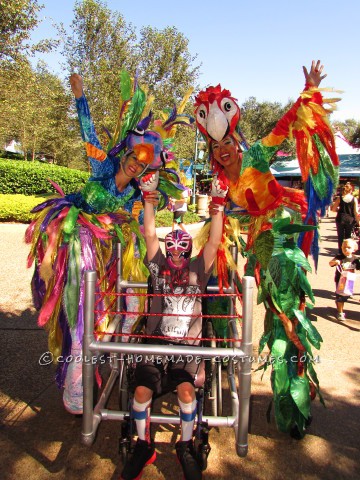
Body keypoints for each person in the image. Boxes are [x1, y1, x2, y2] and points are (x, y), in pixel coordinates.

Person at [25, 72, 186, 415]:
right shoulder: (102, 165)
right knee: (81, 309)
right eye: (135, 155)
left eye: (144, 163)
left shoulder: (133, 195)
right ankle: (76, 382)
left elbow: (144, 229)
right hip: (78, 240)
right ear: (128, 150)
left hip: (109, 251)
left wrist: (152, 207)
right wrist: (80, 97)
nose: (136, 163)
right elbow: (89, 132)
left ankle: (120, 343)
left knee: (125, 299)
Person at [195, 60, 340, 438]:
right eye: (216, 146)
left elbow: (285, 124)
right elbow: (222, 221)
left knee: (285, 312)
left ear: (236, 139)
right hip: (256, 242)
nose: (223, 150)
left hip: (278, 236)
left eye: (227, 142)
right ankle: (214, 365)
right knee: (228, 288)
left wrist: (309, 89)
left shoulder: (257, 155)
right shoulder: (221, 183)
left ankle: (295, 402)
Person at [120, 173, 227, 480]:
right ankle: (144, 445)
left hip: (187, 351)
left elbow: (215, 241)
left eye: (183, 249)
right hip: (155, 346)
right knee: (140, 393)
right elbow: (150, 235)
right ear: (167, 251)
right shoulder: (159, 270)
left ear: (190, 250)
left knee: (186, 392)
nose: (178, 254)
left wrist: (217, 205)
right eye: (173, 249)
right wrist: (148, 199)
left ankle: (185, 444)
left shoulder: (198, 269)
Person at [329, 238, 360, 321]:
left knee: (346, 295)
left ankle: (339, 304)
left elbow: (359, 267)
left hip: (350, 281)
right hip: (340, 280)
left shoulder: (355, 259)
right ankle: (340, 312)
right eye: (344, 247)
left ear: (354, 249)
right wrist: (335, 262)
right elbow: (330, 263)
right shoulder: (339, 257)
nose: (346, 249)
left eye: (349, 247)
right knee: (340, 296)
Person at [331, 182, 359, 253]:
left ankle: (341, 251)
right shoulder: (354, 199)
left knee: (340, 236)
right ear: (351, 190)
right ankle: (348, 251)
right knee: (348, 236)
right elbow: (356, 212)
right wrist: (358, 222)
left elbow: (333, 209)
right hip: (350, 220)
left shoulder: (340, 198)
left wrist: (339, 210)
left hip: (340, 218)